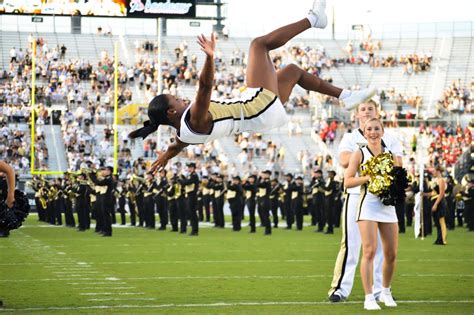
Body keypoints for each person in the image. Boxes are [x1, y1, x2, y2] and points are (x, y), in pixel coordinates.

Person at [129, 0, 376, 172]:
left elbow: (177, 145)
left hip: (262, 115)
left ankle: (347, 96)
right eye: (176, 100)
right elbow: (205, 87)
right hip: (257, 107)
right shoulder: (193, 118)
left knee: (292, 71)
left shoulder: (184, 132)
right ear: (171, 112)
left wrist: (164, 157)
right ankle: (314, 18)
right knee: (258, 45)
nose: (182, 99)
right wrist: (210, 57)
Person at [327, 100, 403, 303]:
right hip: (357, 196)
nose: (367, 111)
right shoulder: (351, 137)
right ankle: (340, 288)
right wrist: (368, 153)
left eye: (371, 108)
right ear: (357, 115)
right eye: (363, 109)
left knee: (381, 248)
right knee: (352, 244)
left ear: (377, 112)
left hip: (383, 198)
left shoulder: (391, 137)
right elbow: (344, 161)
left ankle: (380, 290)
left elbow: (398, 165)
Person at [344, 118, 399, 310]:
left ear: (383, 131)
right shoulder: (359, 153)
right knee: (369, 250)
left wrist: (398, 184)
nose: (373, 132)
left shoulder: (390, 155)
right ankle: (369, 297)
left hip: (387, 206)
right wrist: (370, 177)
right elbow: (347, 181)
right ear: (364, 132)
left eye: (377, 128)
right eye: (369, 129)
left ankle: (385, 291)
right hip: (367, 204)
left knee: (391, 253)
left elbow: (398, 178)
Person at [431, 166, 447, 245]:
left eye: (434, 170)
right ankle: (439, 238)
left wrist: (436, 204)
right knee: (437, 222)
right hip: (434, 200)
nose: (433, 172)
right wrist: (424, 194)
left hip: (439, 202)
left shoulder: (441, 180)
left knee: (441, 221)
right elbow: (433, 192)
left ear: (438, 171)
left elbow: (441, 193)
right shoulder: (436, 180)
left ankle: (442, 239)